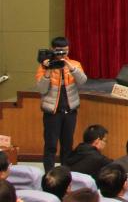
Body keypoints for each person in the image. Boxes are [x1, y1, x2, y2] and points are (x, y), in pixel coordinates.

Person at [35, 36, 87, 171]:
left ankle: (65, 173)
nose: (62, 54)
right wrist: (48, 70)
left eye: (65, 51)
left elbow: (83, 81)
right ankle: (49, 174)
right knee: (51, 145)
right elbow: (41, 89)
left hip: (70, 112)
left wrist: (69, 66)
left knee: (67, 145)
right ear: (53, 49)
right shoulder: (44, 66)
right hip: (52, 113)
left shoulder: (74, 64)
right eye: (59, 51)